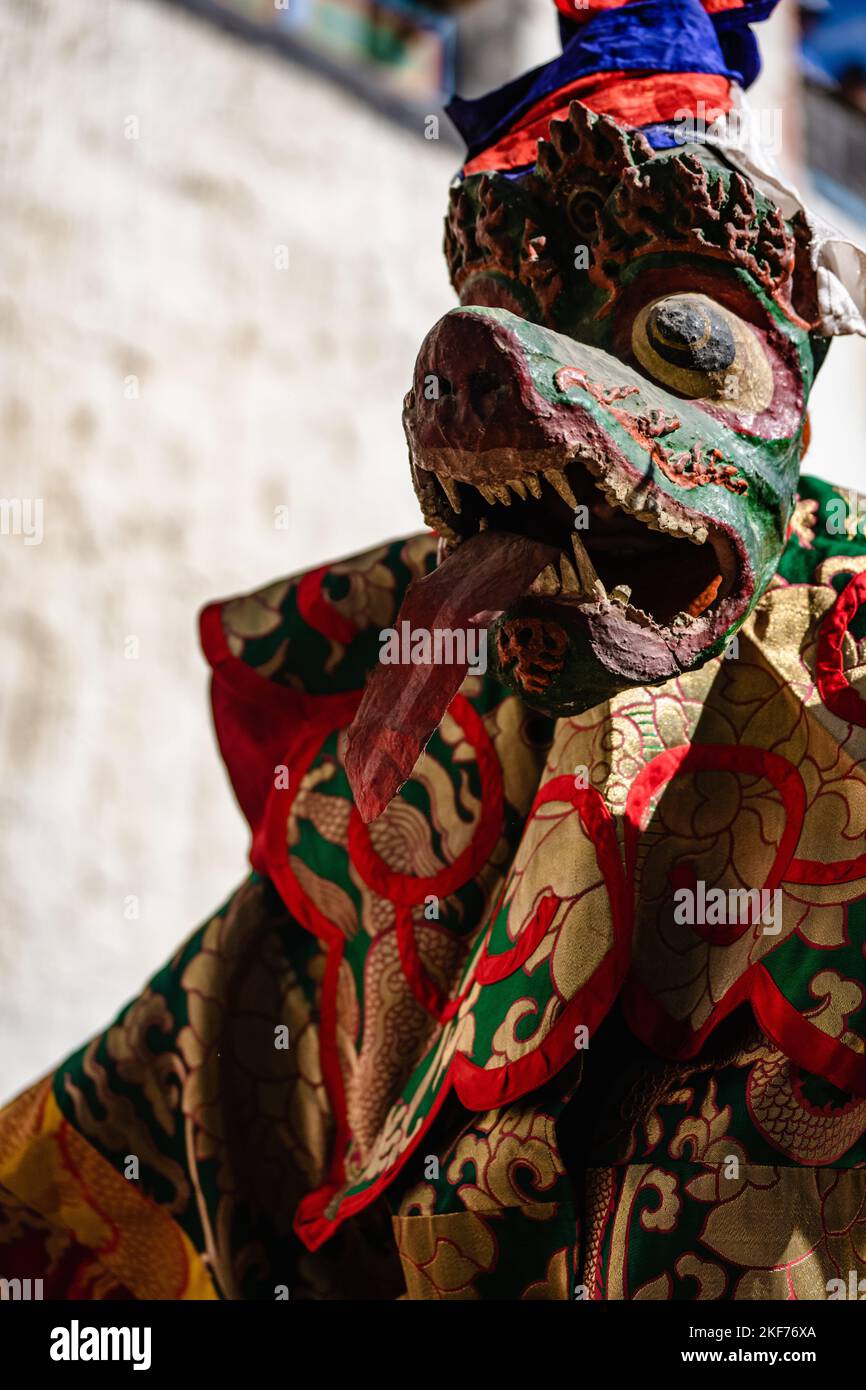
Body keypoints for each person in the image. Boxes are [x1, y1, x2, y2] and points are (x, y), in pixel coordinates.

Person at [3, 0, 866, 1300]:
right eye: (512, 312)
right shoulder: (397, 791)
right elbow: (109, 1171)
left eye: (674, 336)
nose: (512, 371)